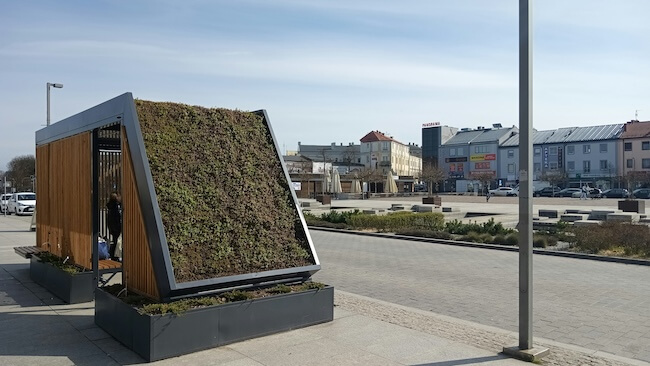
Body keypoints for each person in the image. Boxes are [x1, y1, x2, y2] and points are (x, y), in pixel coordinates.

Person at [106, 192, 122, 261]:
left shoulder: (110, 206)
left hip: (112, 226)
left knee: (115, 240)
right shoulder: (116, 207)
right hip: (116, 227)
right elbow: (118, 217)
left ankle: (113, 255)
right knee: (117, 241)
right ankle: (115, 256)